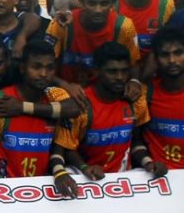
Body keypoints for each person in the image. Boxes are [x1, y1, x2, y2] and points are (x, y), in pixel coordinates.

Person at [0, 40, 71, 183]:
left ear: (9, 62)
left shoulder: (52, 92)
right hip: (2, 181)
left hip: (41, 185)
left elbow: (72, 109)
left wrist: (22, 107)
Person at [51, 42, 150, 195]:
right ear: (97, 71)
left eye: (124, 71)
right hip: (84, 175)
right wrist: (85, 167)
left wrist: (148, 163)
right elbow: (67, 148)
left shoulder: (136, 100)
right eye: (112, 71)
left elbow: (136, 140)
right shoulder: (80, 103)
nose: (120, 77)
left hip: (122, 177)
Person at [45, 0, 140, 85]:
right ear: (80, 1)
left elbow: (134, 64)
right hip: (66, 91)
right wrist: (66, 86)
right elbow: (44, 66)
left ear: (113, 2)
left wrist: (134, 82)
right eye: (92, 3)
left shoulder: (124, 27)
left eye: (104, 3)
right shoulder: (62, 24)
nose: (98, 10)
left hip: (108, 91)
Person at [139, 26, 184, 170]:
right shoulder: (146, 93)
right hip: (156, 175)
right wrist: (147, 162)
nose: (172, 60)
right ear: (156, 59)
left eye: (178, 53)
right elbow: (134, 137)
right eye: (165, 55)